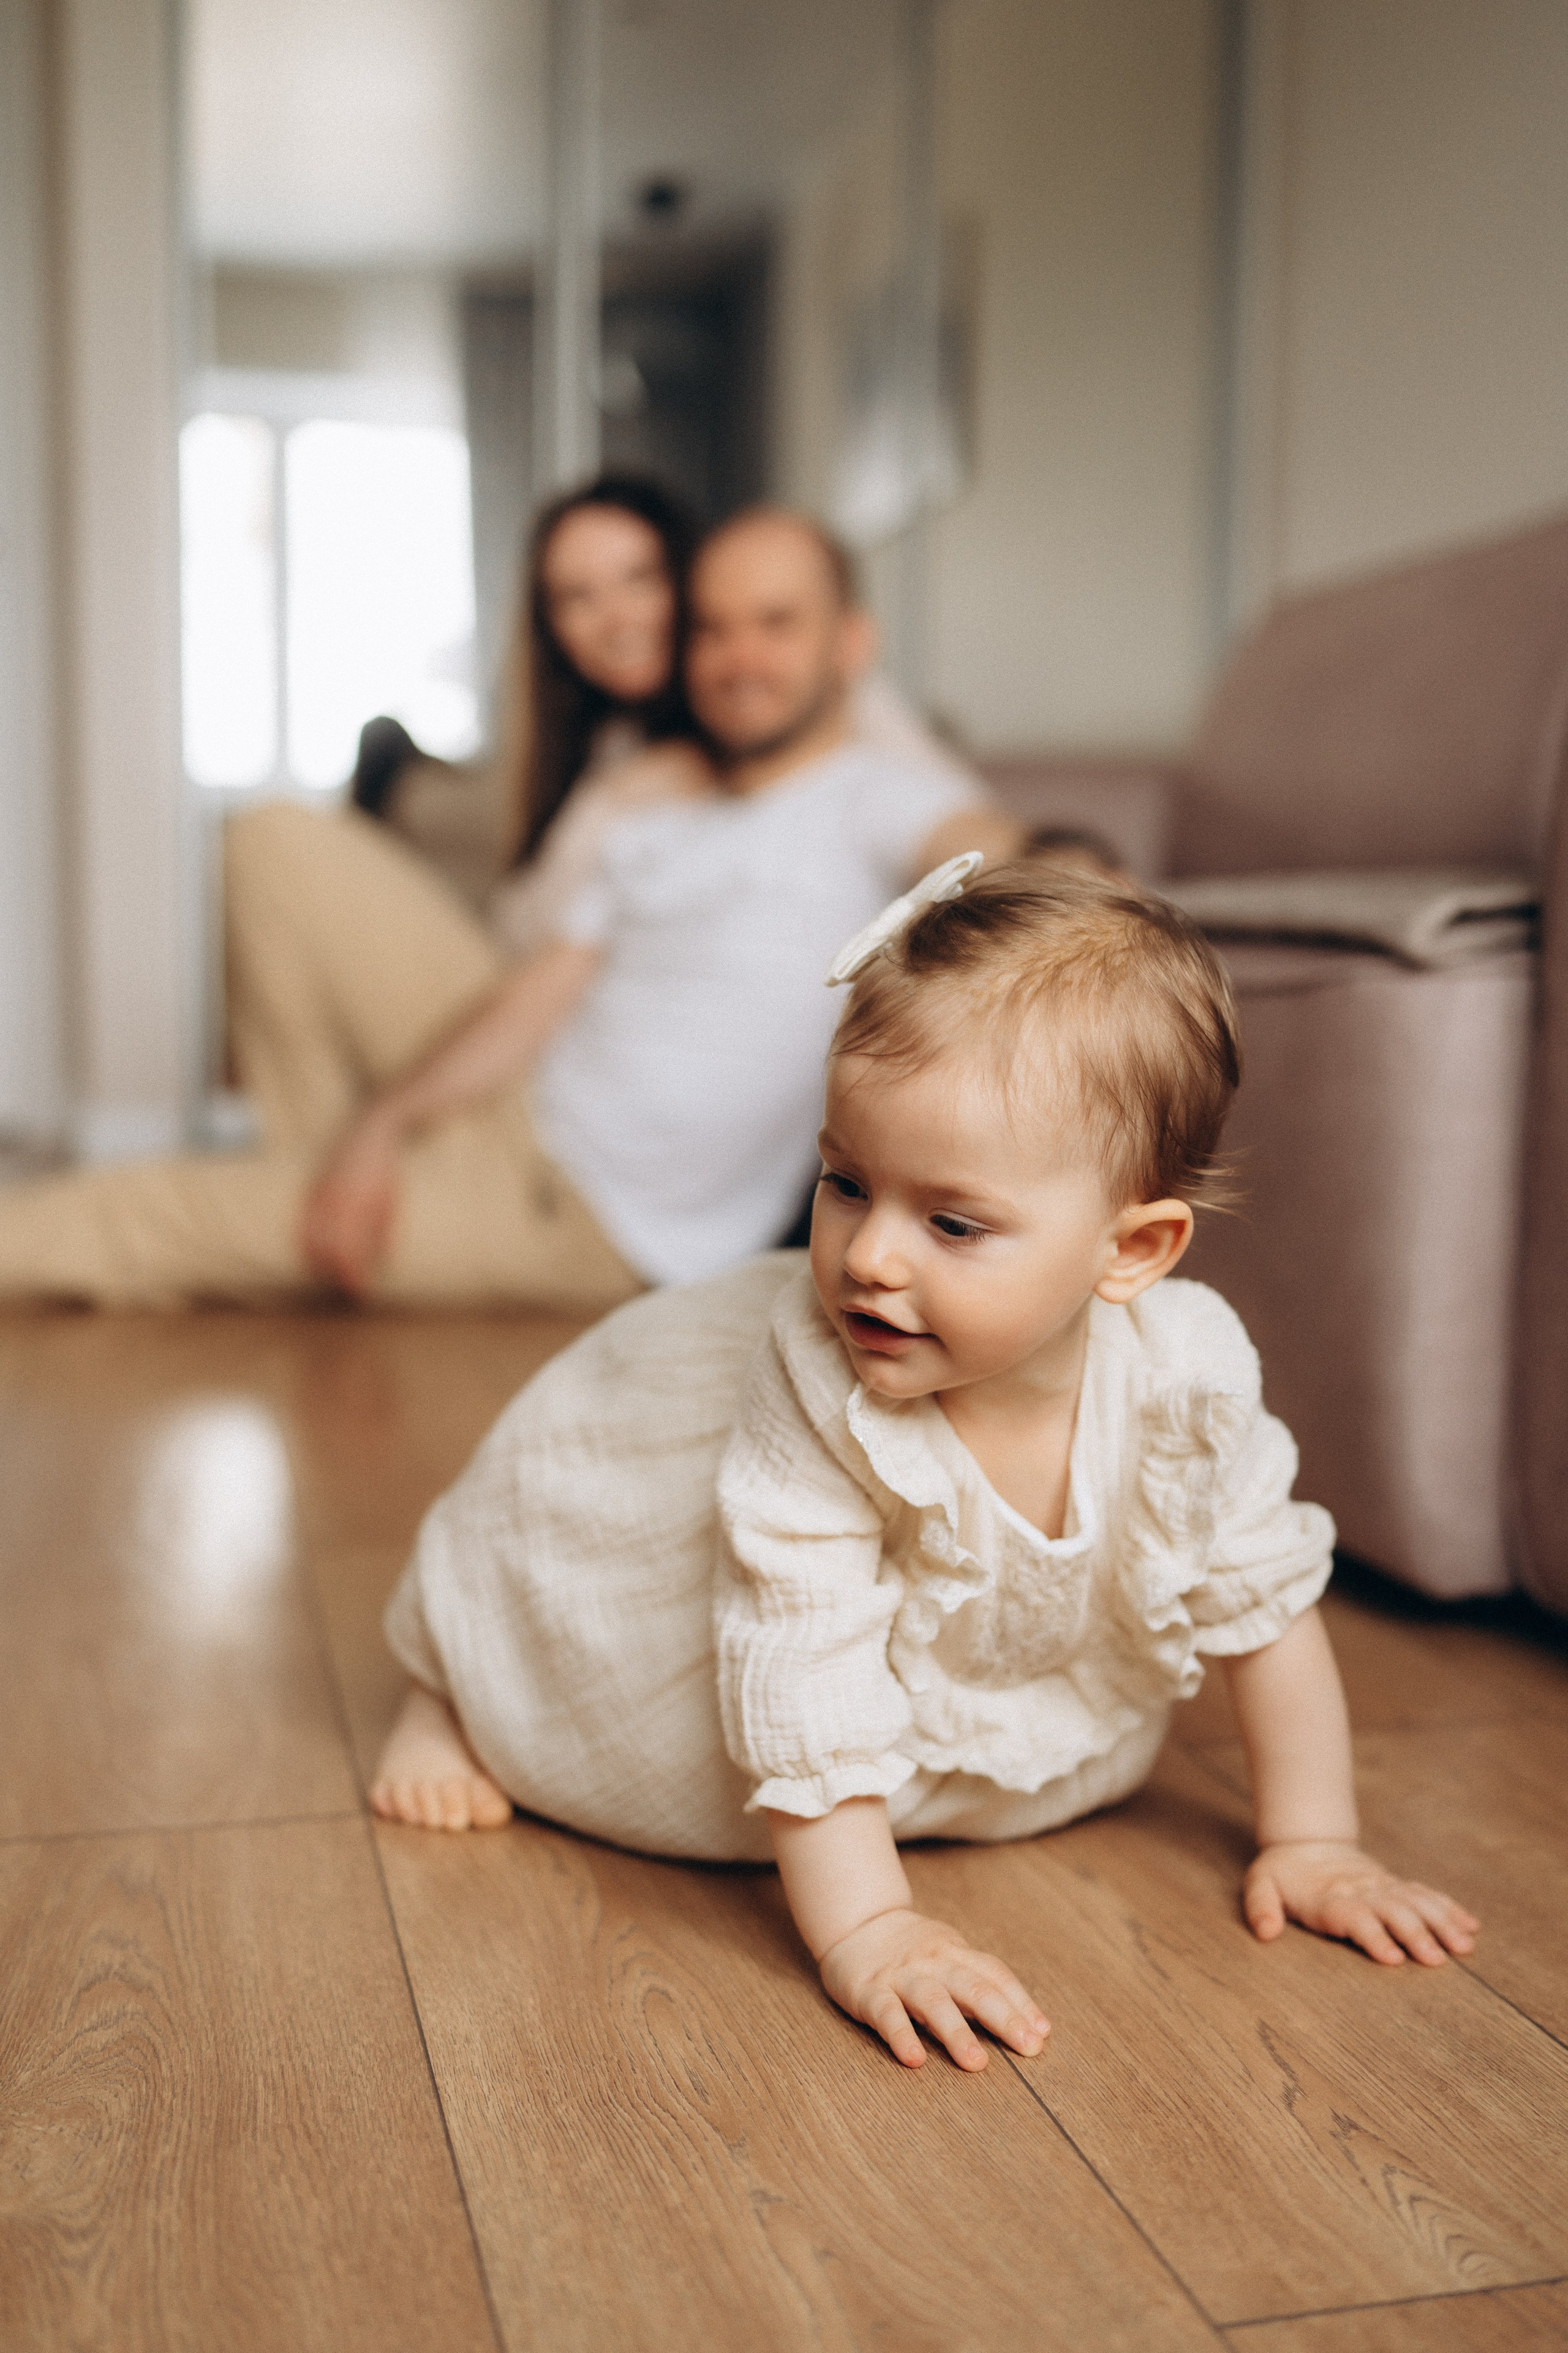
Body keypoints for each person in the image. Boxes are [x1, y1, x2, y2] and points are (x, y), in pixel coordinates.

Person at [371, 863, 1480, 2074]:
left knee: (1100, 1746)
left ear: (1133, 1249)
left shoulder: (1184, 1376)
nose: (867, 1259)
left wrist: (1312, 1839)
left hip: (987, 1687)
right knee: (584, 1615)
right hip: (715, 1586)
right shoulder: (818, 1384)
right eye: (843, 1184)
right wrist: (870, 1929)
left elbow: (1267, 1614)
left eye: (951, 1223)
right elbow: (793, 1668)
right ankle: (454, 1689)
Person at [0, 508, 1017, 1308]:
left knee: (153, 1214)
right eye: (713, 627)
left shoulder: (884, 798)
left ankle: (295, 1209)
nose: (738, 655)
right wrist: (383, 1124)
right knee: (271, 837)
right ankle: (324, 1180)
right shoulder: (668, 806)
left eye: (777, 623)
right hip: (520, 1105)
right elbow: (538, 995)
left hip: (579, 1213)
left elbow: (1010, 864)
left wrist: (1069, 873)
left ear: (851, 643)